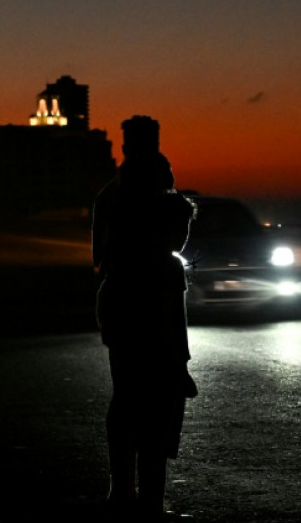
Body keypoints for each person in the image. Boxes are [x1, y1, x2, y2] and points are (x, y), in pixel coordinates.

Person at [91, 115, 198, 521]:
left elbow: (99, 258)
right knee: (158, 411)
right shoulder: (160, 200)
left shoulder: (111, 195)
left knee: (126, 400)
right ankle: (148, 500)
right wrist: (180, 363)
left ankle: (122, 492)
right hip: (143, 310)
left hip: (118, 303)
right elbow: (172, 319)